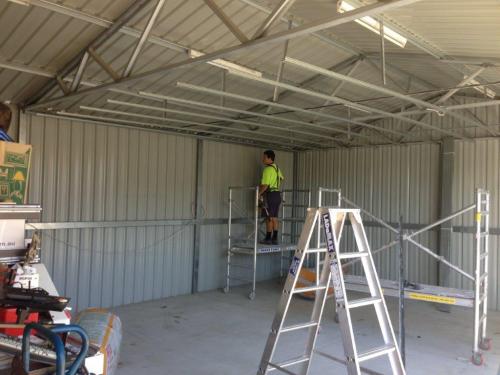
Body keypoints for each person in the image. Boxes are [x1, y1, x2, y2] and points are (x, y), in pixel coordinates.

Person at [259, 150, 284, 245]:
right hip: (277, 194)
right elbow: (281, 178)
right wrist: (275, 185)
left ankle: (268, 238)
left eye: (264, 157)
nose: (263, 159)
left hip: (270, 195)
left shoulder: (267, 169)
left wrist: (259, 193)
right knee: (274, 217)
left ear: (270, 158)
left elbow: (265, 185)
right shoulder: (277, 168)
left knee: (268, 217)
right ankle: (275, 238)